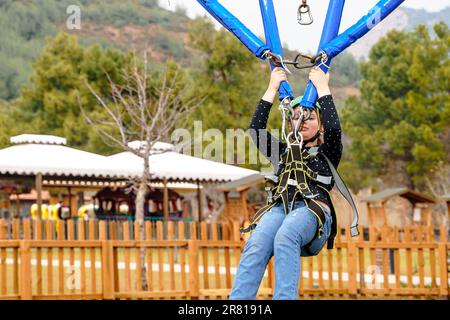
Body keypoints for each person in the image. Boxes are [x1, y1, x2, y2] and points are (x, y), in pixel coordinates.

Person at [229, 66, 342, 300]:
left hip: (312, 209)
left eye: (309, 116)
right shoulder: (282, 151)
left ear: (320, 125)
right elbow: (256, 131)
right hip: (282, 208)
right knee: (257, 243)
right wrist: (271, 88)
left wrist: (323, 88)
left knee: (286, 234)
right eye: (298, 116)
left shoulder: (327, 152)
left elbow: (334, 129)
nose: (302, 121)